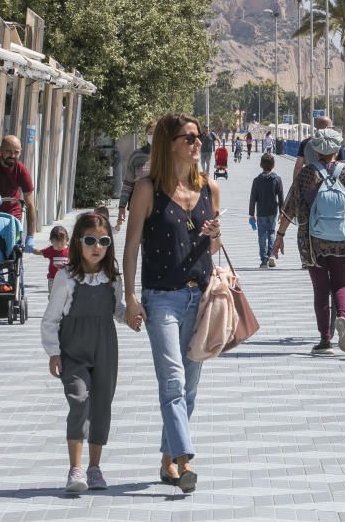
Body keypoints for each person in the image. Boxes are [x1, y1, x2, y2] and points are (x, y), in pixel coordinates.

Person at [123, 112, 222, 494]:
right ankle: (184, 461)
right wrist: (130, 296)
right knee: (173, 380)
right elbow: (132, 245)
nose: (199, 143)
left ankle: (166, 460)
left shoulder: (210, 189)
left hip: (202, 297)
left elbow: (212, 247)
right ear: (171, 143)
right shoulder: (148, 189)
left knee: (190, 386)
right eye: (191, 138)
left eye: (199, 138)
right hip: (161, 298)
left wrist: (215, 234)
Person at [41, 212, 141, 492]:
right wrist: (53, 351)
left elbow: (116, 309)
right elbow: (51, 319)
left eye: (104, 241)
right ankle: (75, 469)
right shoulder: (66, 278)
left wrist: (130, 318)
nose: (97, 247)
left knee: (101, 407)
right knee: (78, 399)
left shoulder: (112, 278)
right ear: (77, 243)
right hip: (73, 350)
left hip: (106, 350)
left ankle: (94, 468)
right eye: (90, 241)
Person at [274, 128, 345, 356]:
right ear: (337, 149)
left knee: (321, 289)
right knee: (341, 284)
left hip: (312, 241)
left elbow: (290, 207)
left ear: (315, 150)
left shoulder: (307, 174)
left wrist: (279, 236)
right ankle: (343, 317)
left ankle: (325, 341)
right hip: (344, 238)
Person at [0, 135, 37, 251]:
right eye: (8, 151)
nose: (12, 156)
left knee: (11, 246)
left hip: (11, 214)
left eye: (16, 152)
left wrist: (30, 235)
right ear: (0, 150)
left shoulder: (22, 172)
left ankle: (16, 262)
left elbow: (30, 205)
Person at [117, 121, 156, 230]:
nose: (152, 136)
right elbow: (128, 183)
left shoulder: (169, 156)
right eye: (150, 133)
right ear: (146, 134)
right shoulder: (137, 155)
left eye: (156, 133)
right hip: (139, 206)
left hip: (161, 207)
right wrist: (121, 207)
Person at [249, 154, 284, 269]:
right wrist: (282, 212)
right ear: (273, 165)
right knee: (272, 232)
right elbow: (281, 197)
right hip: (273, 211)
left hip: (261, 212)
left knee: (262, 235)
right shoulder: (277, 179)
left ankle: (264, 259)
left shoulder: (256, 180)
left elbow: (253, 198)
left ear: (261, 165)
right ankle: (271, 255)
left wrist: (251, 214)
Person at [32, 225, 70, 294]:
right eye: (56, 244)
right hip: (53, 279)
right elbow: (40, 252)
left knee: (67, 296)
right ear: (51, 241)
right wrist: (31, 249)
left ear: (67, 240)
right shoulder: (51, 250)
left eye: (62, 243)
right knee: (53, 296)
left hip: (67, 279)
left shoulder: (70, 250)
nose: (59, 246)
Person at [293, 115, 333, 181]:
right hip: (330, 185)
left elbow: (298, 167)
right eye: (332, 128)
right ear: (328, 128)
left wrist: (294, 186)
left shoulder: (305, 143)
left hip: (310, 182)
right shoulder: (336, 144)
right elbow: (340, 167)